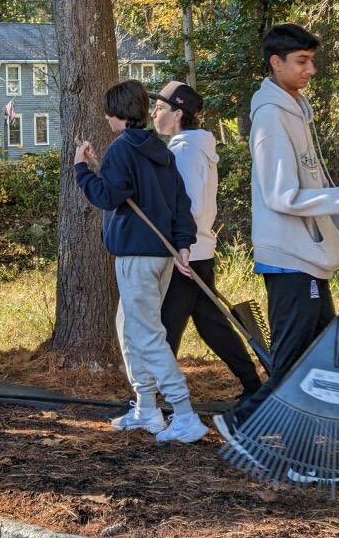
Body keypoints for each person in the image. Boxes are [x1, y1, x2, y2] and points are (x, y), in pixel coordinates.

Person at [214, 24, 339, 452]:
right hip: (289, 257)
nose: (311, 70)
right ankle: (241, 424)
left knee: (319, 355)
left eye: (312, 60)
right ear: (276, 62)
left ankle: (302, 436)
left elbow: (313, 183)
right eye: (302, 61)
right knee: (295, 360)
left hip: (311, 255)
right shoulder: (270, 117)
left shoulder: (297, 110)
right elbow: (281, 195)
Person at [74, 79, 208, 444]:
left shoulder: (122, 148)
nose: (106, 118)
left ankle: (184, 413)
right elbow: (179, 202)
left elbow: (107, 196)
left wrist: (82, 168)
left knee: (147, 335)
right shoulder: (157, 148)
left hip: (136, 255)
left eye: (108, 112)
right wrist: (183, 245)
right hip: (161, 255)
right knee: (129, 328)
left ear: (117, 113)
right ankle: (146, 407)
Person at [149, 81, 262, 401]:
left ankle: (153, 397)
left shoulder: (184, 151)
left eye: (160, 108)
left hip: (186, 254)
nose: (154, 113)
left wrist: (179, 245)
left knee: (166, 325)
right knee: (211, 324)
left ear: (178, 113)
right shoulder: (192, 146)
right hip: (196, 251)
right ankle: (253, 385)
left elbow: (192, 206)